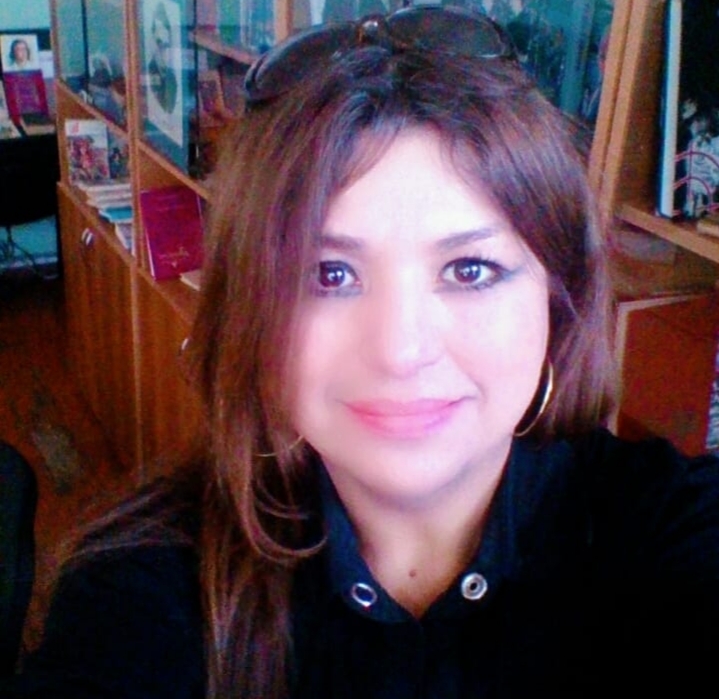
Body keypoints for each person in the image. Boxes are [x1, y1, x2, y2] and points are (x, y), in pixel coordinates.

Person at [5, 5, 719, 698]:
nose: (400, 350)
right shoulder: (146, 577)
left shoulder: (665, 528)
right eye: (328, 275)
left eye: (469, 270)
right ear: (250, 309)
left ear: (557, 301)